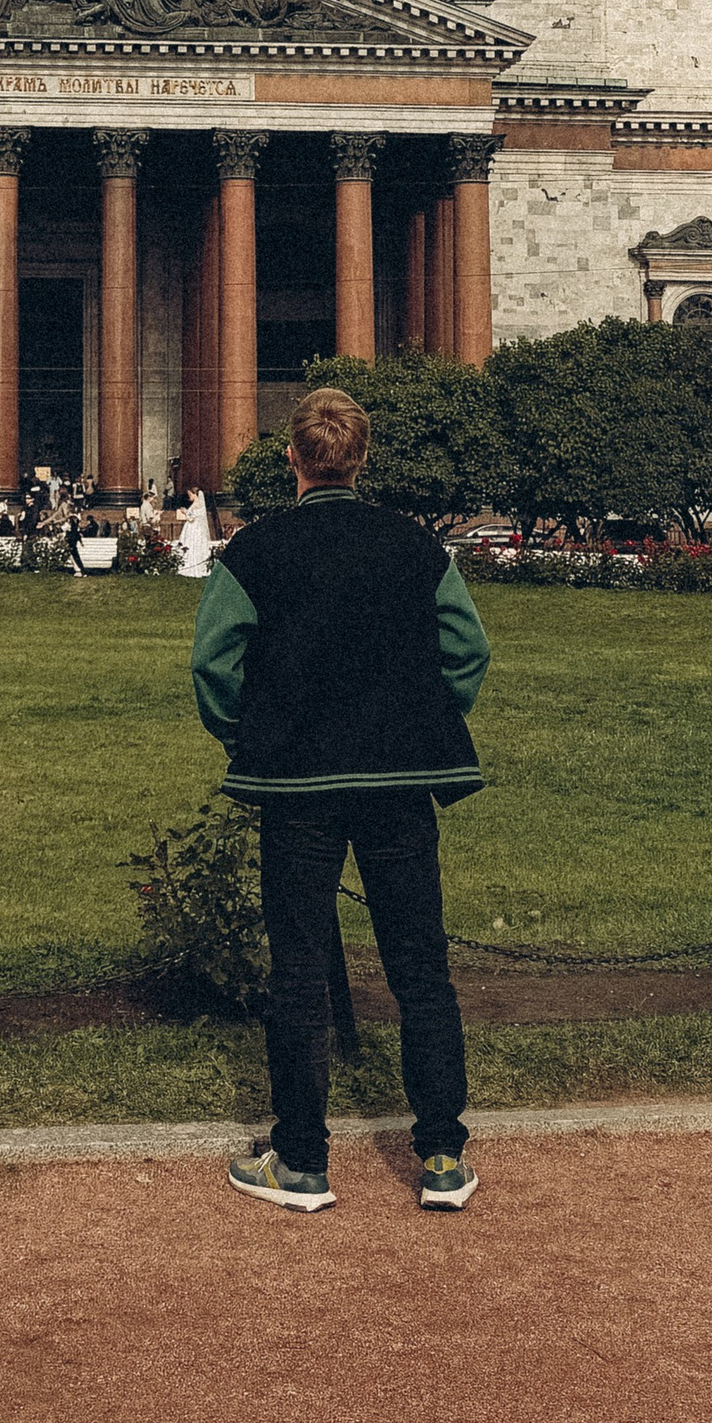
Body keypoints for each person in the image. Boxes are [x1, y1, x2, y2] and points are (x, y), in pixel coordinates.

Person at [190, 387, 489, 1217]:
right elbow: (468, 649)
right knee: (421, 965)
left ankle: (303, 1161)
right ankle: (440, 1156)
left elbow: (213, 668)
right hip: (398, 785)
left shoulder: (254, 550)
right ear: (362, 459)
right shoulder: (416, 545)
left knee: (298, 972)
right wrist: (423, 719)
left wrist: (250, 736)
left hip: (299, 786)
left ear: (292, 458)